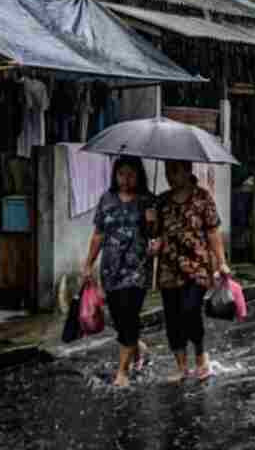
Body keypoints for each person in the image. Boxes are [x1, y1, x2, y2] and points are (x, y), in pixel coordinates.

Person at [149, 160, 231, 382]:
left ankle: (201, 355)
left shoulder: (202, 198)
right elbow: (154, 234)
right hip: (169, 269)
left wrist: (221, 262)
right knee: (173, 317)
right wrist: (152, 233)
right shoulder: (161, 201)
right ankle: (181, 366)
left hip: (197, 267)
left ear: (187, 171)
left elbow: (213, 231)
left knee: (190, 309)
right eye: (167, 171)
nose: (170, 176)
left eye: (174, 170)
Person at [81, 155, 154, 388]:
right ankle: (138, 347)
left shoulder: (147, 200)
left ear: (139, 175)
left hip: (138, 269)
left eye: (130, 174)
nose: (125, 179)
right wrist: (88, 264)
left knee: (129, 314)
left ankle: (122, 372)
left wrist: (153, 223)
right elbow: (98, 234)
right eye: (121, 174)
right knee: (118, 316)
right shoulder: (107, 199)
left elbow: (156, 235)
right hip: (111, 269)